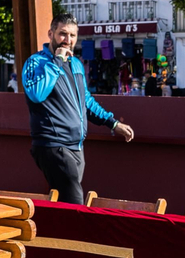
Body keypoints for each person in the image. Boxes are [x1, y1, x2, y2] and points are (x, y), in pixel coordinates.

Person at [22, 15, 135, 202]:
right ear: (51, 34)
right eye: (63, 34)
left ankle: (53, 231)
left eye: (72, 35)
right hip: (52, 144)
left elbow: (86, 102)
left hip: (76, 146)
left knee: (64, 204)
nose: (68, 40)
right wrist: (57, 61)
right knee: (75, 202)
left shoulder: (75, 64)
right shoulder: (36, 62)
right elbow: (36, 94)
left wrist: (113, 124)